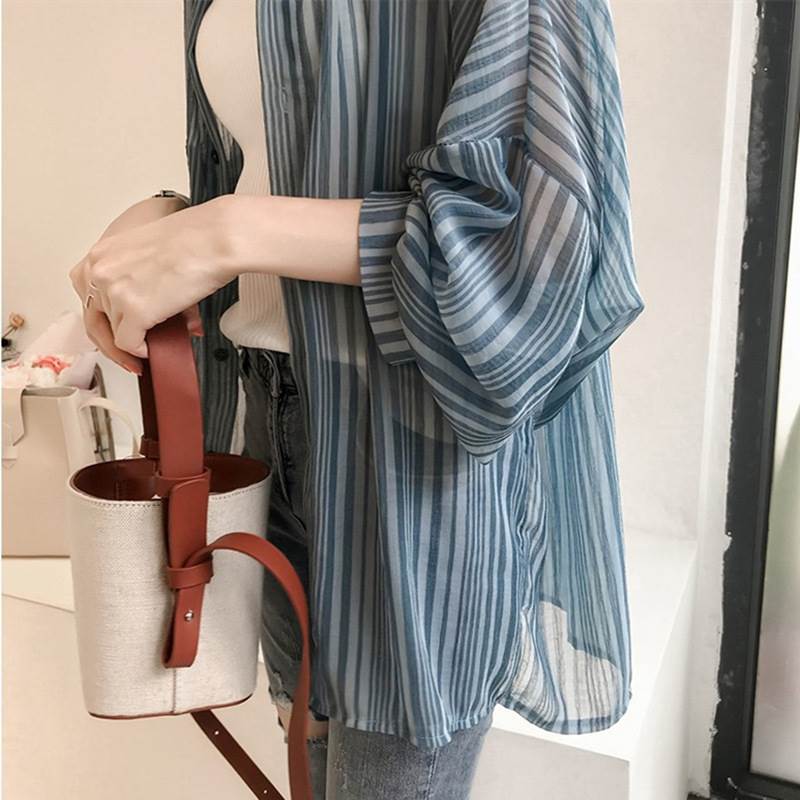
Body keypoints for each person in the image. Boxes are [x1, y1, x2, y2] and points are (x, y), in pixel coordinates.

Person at [69, 0, 644, 797]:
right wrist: (178, 220)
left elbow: (531, 262)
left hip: (414, 457)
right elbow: (279, 163)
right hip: (262, 421)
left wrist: (226, 232)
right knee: (306, 751)